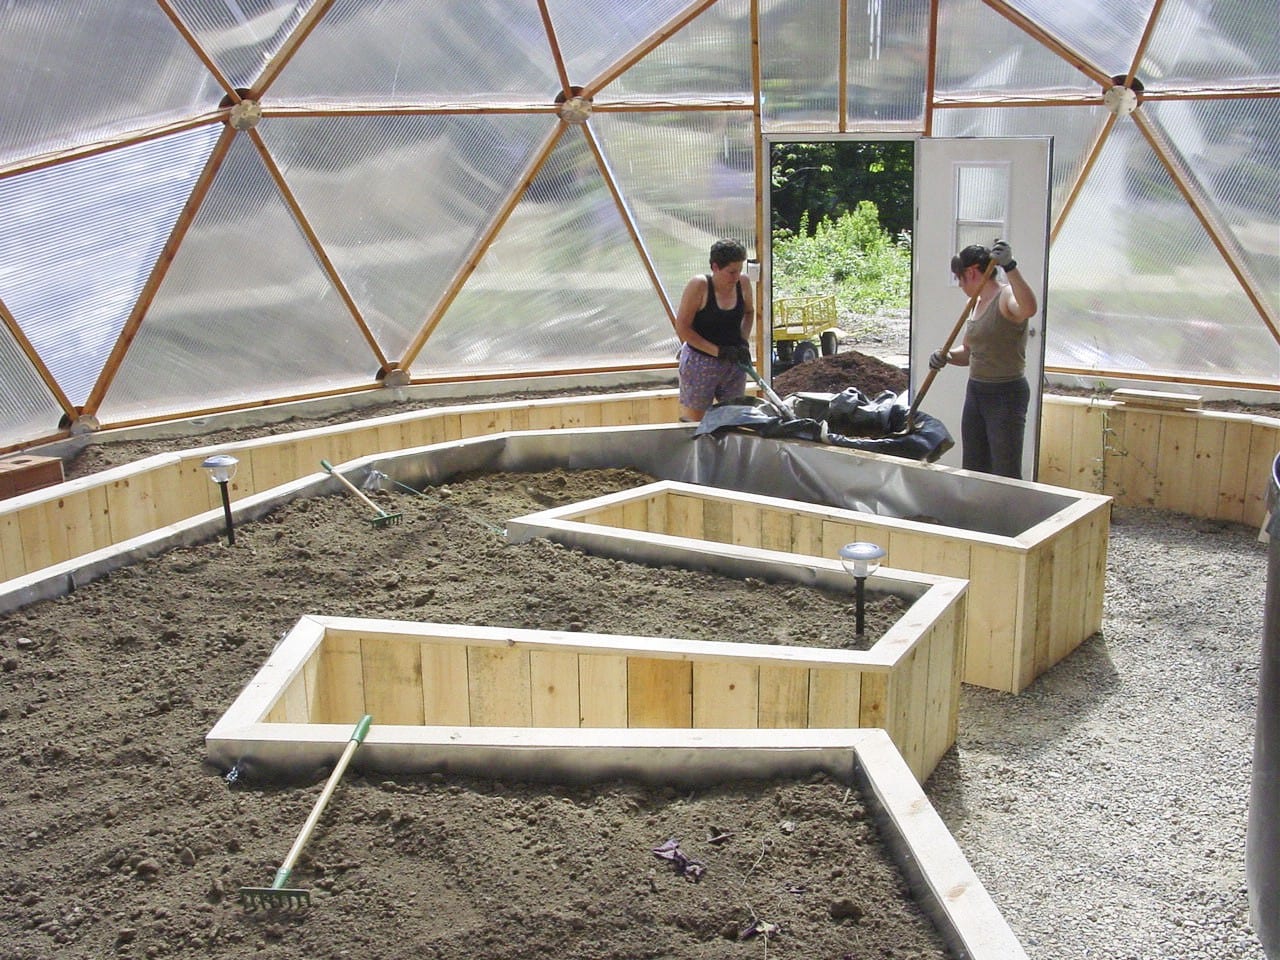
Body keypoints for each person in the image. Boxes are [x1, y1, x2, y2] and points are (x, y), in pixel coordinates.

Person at [928, 240, 1038, 479]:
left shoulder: (1006, 296)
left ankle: (1007, 506)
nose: (959, 284)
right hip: (977, 392)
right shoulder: (974, 303)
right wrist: (945, 356)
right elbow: (968, 352)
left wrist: (1010, 266)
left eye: (959, 278)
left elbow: (1029, 308)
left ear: (971, 273)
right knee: (974, 467)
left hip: (1006, 394)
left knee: (1005, 470)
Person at [672, 238, 755, 422]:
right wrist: (718, 351)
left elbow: (749, 312)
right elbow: (682, 328)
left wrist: (742, 342)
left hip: (733, 363)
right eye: (731, 272)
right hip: (700, 364)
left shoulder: (743, 283)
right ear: (715, 267)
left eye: (739, 270)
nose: (736, 277)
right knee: (695, 422)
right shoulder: (699, 286)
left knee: (733, 418)